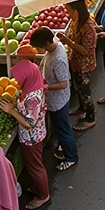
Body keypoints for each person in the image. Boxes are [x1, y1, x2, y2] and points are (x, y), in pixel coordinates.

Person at [0, 54, 51, 209]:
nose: (16, 80)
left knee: (35, 167)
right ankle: (39, 186)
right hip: (35, 135)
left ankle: (43, 195)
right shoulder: (33, 85)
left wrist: (11, 110)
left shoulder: (32, 97)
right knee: (35, 164)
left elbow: (29, 123)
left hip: (32, 138)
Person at [30, 27, 78, 170]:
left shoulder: (57, 59)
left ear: (44, 43)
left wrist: (44, 87)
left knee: (63, 130)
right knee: (60, 127)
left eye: (38, 47)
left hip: (58, 101)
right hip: (56, 99)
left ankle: (71, 157)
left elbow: (64, 83)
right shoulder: (54, 44)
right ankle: (65, 148)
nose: (37, 50)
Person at [60, 0, 98, 132]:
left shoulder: (88, 28)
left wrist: (68, 42)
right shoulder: (76, 22)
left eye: (68, 10)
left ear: (75, 11)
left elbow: (85, 50)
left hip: (84, 65)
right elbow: (72, 36)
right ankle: (82, 108)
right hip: (75, 62)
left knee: (85, 91)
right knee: (78, 87)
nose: (67, 13)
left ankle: (90, 118)